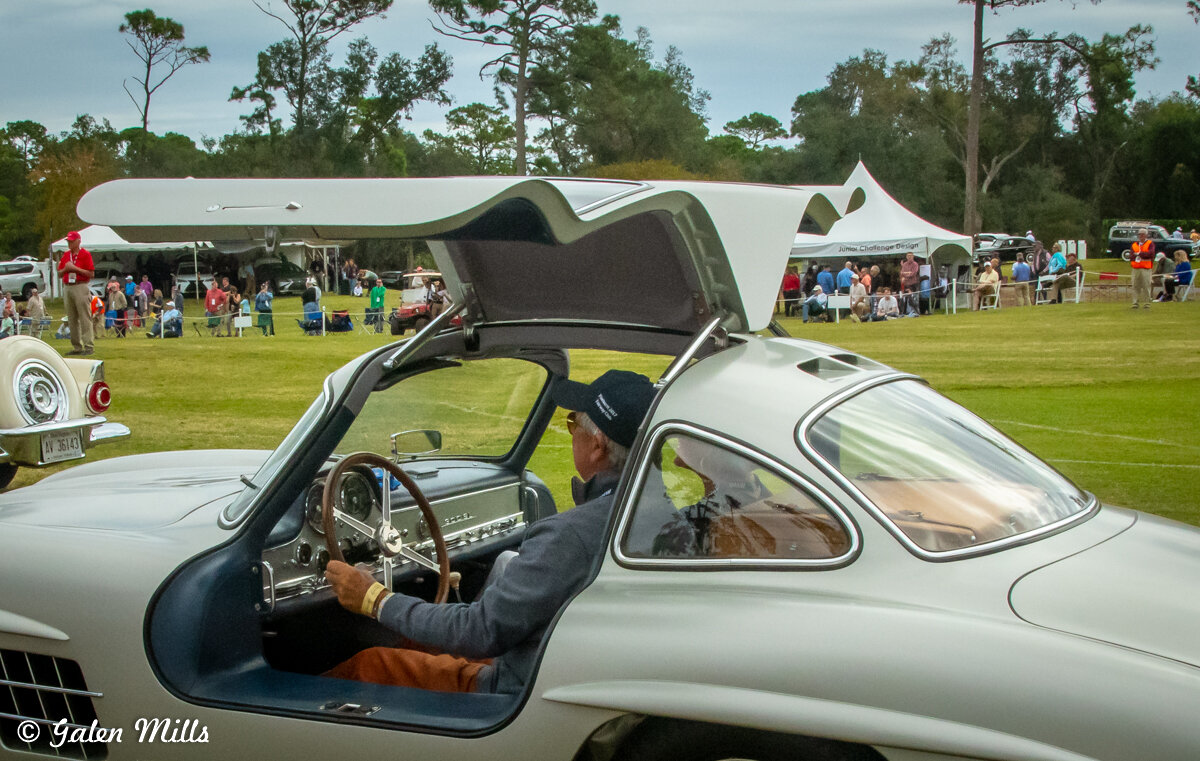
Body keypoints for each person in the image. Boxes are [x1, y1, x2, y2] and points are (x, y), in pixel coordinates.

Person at [323, 370, 657, 695]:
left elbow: (480, 632)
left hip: (519, 689)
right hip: (583, 669)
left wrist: (374, 598)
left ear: (597, 446)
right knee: (413, 641)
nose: (572, 433)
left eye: (573, 424)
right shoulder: (665, 512)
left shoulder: (570, 536)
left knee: (371, 665)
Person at [57, 230, 95, 355]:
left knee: (84, 317)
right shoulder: (66, 255)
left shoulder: (85, 254)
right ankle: (77, 346)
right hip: (68, 286)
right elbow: (59, 273)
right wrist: (65, 270)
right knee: (71, 318)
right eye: (68, 241)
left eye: (72, 241)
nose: (69, 243)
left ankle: (89, 346)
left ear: (78, 241)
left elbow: (91, 273)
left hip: (80, 286)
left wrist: (74, 269)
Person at [1128, 227, 1154, 308]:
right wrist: (1141, 254)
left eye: (1143, 234)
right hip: (1136, 268)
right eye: (1139, 234)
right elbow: (1131, 256)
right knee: (1135, 286)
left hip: (1146, 268)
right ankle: (1135, 303)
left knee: (1146, 286)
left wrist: (1139, 254)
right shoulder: (1134, 245)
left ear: (1146, 235)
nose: (1141, 236)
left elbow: (1150, 254)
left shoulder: (1150, 244)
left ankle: (1147, 303)